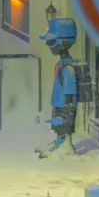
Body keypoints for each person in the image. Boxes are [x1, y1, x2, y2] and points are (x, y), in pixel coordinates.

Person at [36, 16, 80, 158]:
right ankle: (59, 142)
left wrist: (68, 107)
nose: (49, 45)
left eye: (52, 42)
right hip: (59, 103)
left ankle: (66, 146)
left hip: (64, 104)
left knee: (64, 126)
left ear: (64, 42)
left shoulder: (68, 68)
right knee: (59, 127)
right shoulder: (62, 64)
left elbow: (70, 90)